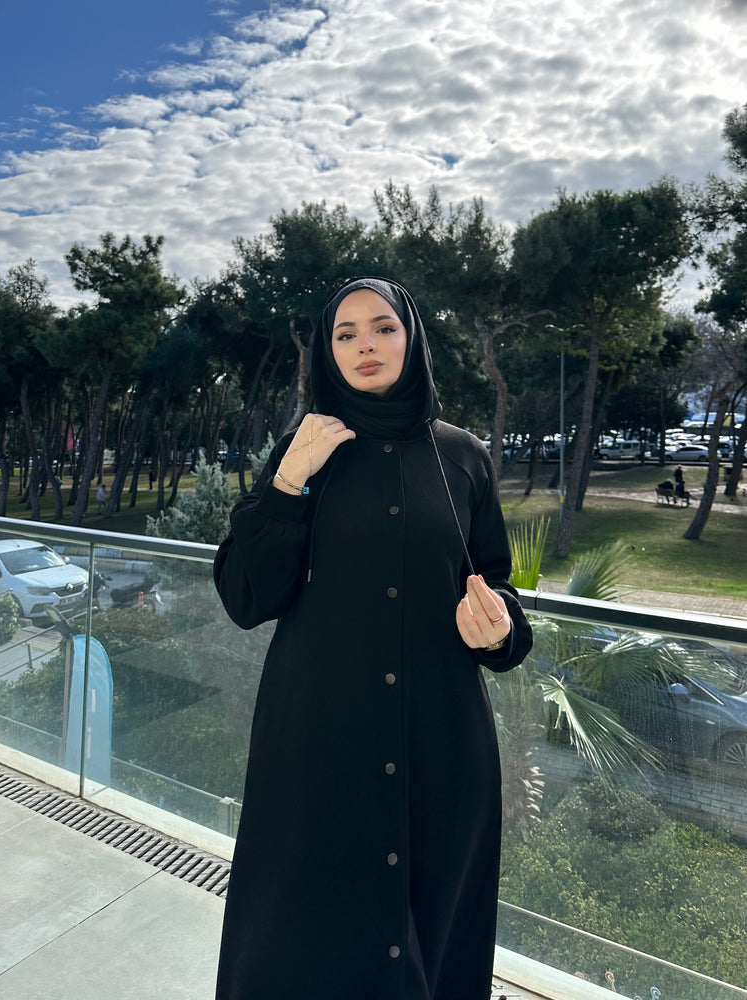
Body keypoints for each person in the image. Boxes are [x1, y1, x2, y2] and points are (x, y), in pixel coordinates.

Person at [213, 277, 534, 1000]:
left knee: (434, 936)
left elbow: (497, 588)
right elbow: (244, 596)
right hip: (318, 746)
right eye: (346, 332)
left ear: (412, 338)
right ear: (327, 351)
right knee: (302, 943)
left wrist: (499, 630)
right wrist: (288, 481)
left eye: (384, 327)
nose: (366, 345)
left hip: (441, 748)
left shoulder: (463, 457)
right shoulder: (304, 449)